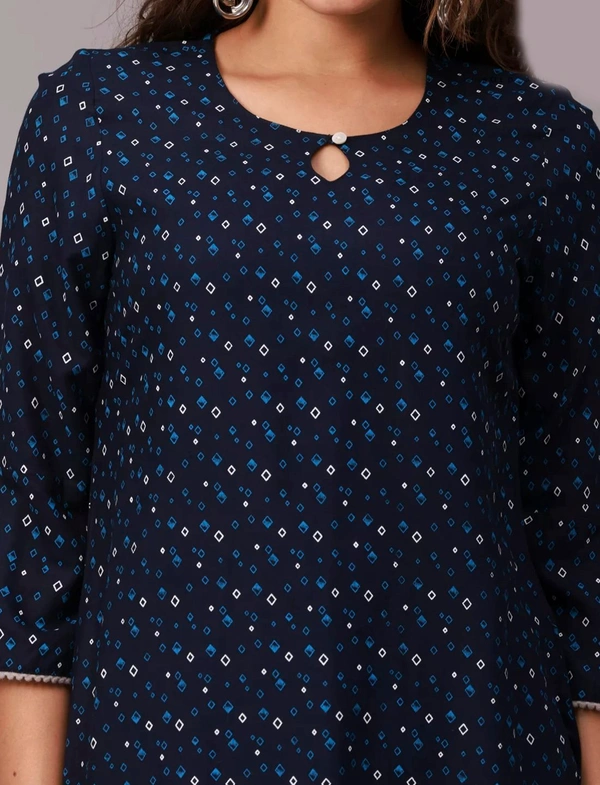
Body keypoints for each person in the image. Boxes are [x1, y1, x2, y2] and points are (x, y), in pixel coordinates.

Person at [0, 0, 599, 782]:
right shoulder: (100, 118)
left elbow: (581, 510)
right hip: (167, 733)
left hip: (471, 729)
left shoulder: (539, 144)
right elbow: (32, 499)